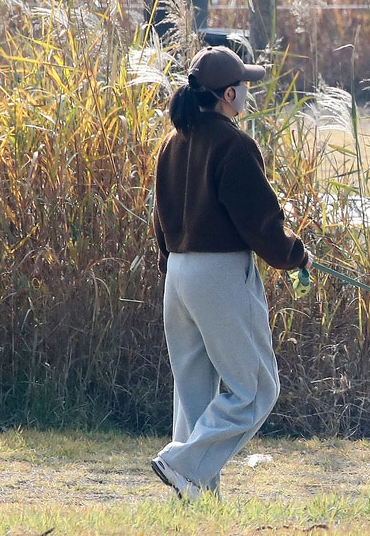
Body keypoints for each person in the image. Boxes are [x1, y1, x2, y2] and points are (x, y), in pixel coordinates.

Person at [149, 46, 313, 500]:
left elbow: (158, 220)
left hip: (177, 273)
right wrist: (296, 257)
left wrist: (174, 265)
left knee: (193, 389)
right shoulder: (234, 144)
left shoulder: (172, 142)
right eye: (245, 86)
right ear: (228, 94)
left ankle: (195, 494)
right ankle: (181, 464)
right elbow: (261, 223)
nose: (248, 94)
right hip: (219, 273)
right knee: (256, 388)